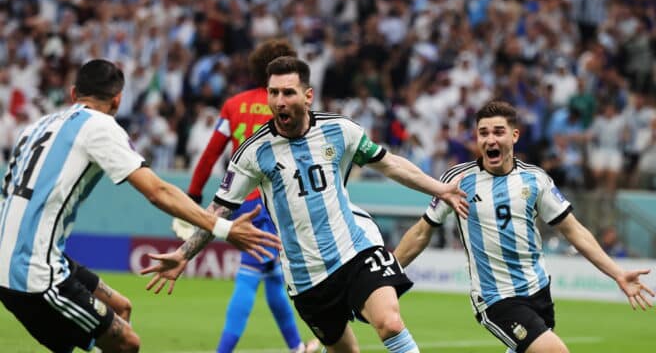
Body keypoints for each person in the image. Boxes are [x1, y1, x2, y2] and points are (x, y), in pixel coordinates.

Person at [141, 56, 469, 353]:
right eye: (273, 93)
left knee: (390, 323)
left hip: (354, 252)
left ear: (307, 96)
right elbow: (219, 211)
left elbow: (391, 164)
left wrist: (442, 189)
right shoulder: (254, 153)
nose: (279, 102)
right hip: (306, 277)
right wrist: (184, 253)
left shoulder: (340, 131)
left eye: (288, 93)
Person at [0, 59, 279, 353]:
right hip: (32, 271)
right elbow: (158, 191)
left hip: (23, 257)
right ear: (118, 99)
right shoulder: (100, 126)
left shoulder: (35, 127)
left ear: (73, 94)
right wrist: (224, 227)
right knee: (127, 343)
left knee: (121, 307)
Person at [393, 100, 654, 353]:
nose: (490, 139)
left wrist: (617, 273)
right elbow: (421, 232)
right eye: (483, 133)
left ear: (514, 136)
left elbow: (574, 231)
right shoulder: (458, 180)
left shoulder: (535, 179)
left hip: (538, 291)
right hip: (496, 298)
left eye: (498, 132)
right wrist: (384, 276)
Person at [173, 39, 319, 353]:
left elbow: (211, 153)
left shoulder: (234, 104)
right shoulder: (295, 103)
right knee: (254, 273)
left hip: (242, 199)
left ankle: (296, 347)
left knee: (271, 274)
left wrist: (194, 195)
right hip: (280, 199)